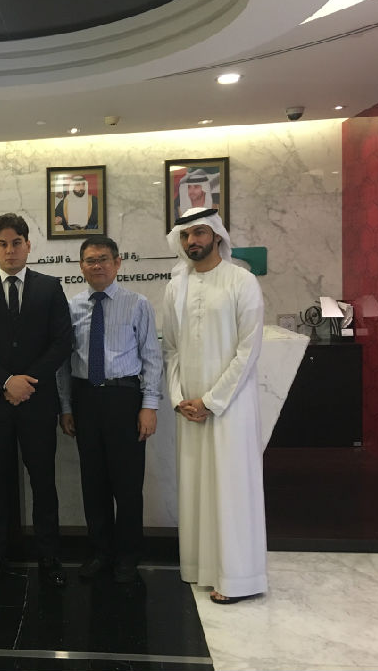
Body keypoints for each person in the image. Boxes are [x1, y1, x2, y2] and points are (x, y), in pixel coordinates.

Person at [0, 213, 74, 587]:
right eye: (3, 244)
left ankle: (50, 556)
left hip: (38, 403)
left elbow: (62, 342)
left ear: (28, 245)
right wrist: (7, 382)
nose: (10, 250)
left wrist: (28, 382)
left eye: (16, 243)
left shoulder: (49, 287)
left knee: (43, 482)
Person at [161, 207, 267, 605]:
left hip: (230, 408)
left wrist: (212, 400)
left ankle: (239, 578)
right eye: (186, 235)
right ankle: (203, 569)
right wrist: (179, 399)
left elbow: (248, 351)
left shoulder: (242, 281)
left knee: (231, 488)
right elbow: (172, 349)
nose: (193, 241)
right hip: (190, 409)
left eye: (200, 233)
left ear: (217, 236)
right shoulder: (176, 287)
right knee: (197, 489)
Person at [57, 236, 162, 583]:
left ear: (117, 263)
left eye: (103, 259)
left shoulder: (137, 304)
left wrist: (149, 406)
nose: (97, 265)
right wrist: (66, 407)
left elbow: (152, 358)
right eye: (90, 260)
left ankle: (128, 556)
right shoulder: (71, 307)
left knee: (127, 484)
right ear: (81, 267)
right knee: (93, 482)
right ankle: (100, 552)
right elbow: (63, 363)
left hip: (124, 399)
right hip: (85, 399)